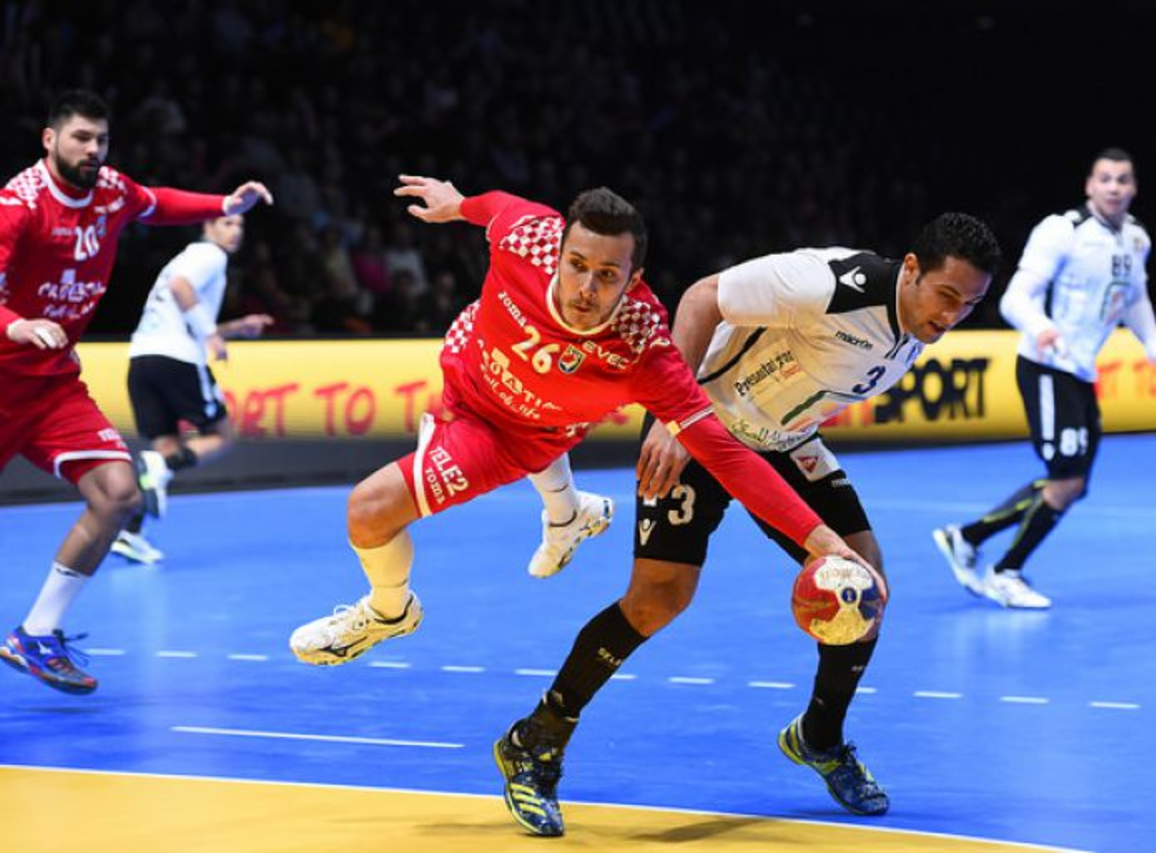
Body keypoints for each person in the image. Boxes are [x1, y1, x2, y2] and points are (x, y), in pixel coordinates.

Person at [497, 213, 1002, 836]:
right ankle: (535, 739)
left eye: (969, 305)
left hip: (784, 442)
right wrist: (675, 418)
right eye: (946, 295)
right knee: (658, 600)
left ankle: (819, 736)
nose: (952, 315)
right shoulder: (828, 284)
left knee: (865, 585)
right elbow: (703, 297)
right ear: (911, 270)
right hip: (700, 429)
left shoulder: (916, 321)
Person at [288, 178, 859, 676]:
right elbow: (496, 205)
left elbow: (726, 456)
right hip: (468, 364)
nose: (586, 288)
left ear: (633, 278)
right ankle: (567, 515)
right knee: (489, 437)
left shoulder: (645, 351)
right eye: (577, 265)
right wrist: (456, 203)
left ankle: (389, 611)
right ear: (558, 251)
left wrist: (824, 543)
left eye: (607, 275)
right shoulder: (526, 237)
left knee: (369, 511)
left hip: (509, 436)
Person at [0, 89, 272, 693]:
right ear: (49, 139)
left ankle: (36, 635)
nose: (93, 150)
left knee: (120, 493)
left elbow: (158, 202)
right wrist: (15, 325)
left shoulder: (111, 191)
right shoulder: (18, 206)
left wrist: (224, 203)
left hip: (52, 388)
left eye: (101, 139)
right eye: (81, 138)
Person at [933, 148, 1156, 609]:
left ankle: (966, 538)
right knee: (1065, 480)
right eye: (1105, 178)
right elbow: (1015, 299)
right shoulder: (1062, 231)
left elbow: (1134, 300)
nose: (1113, 187)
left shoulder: (1136, 239)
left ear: (1133, 188)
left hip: (1081, 372)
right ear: (1089, 185)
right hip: (1047, 367)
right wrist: (1043, 328)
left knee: (1075, 484)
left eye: (1122, 180)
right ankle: (1006, 571)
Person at [110, 214, 274, 565]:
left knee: (166, 453)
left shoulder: (183, 257)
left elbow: (182, 318)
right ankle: (158, 466)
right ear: (207, 227)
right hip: (178, 360)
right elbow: (180, 288)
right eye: (227, 223)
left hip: (142, 360)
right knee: (222, 436)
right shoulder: (209, 255)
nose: (235, 231)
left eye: (240, 225)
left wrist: (234, 328)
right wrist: (212, 335)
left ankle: (132, 533)